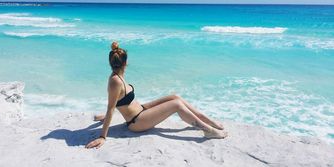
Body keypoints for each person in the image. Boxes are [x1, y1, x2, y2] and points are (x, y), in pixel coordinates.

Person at [86, 42, 228, 149]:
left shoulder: (118, 76)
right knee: (176, 105)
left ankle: (208, 121)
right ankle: (208, 131)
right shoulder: (115, 81)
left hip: (141, 110)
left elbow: (116, 101)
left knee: (174, 97)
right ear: (126, 62)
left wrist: (104, 117)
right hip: (136, 122)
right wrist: (102, 136)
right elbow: (111, 107)